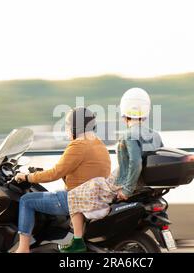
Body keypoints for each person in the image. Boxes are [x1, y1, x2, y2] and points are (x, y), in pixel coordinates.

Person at [59, 87, 163, 253]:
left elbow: (135, 163)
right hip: (142, 184)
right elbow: (157, 158)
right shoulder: (155, 135)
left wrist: (127, 190)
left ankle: (78, 241)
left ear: (124, 113)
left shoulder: (129, 135)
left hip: (118, 183)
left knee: (74, 194)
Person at [13, 107, 111, 253]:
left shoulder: (79, 144)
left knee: (26, 200)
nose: (67, 129)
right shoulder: (99, 144)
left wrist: (27, 177)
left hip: (75, 198)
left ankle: (23, 248)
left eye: (68, 126)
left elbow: (55, 173)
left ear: (76, 127)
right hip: (95, 196)